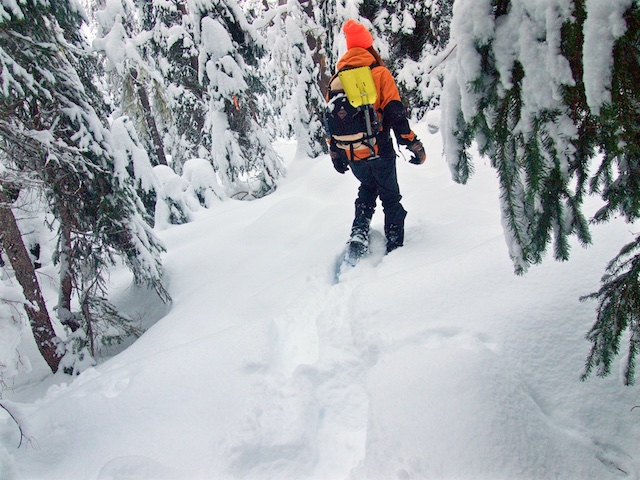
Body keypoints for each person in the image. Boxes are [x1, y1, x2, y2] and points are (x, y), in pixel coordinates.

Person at [328, 19, 426, 255]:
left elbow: (332, 120)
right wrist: (413, 143)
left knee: (367, 188)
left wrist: (336, 153)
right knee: (390, 197)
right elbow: (395, 115)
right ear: (369, 47)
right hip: (379, 150)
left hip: (352, 153)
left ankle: (359, 232)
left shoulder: (336, 79)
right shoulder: (379, 73)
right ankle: (394, 248)